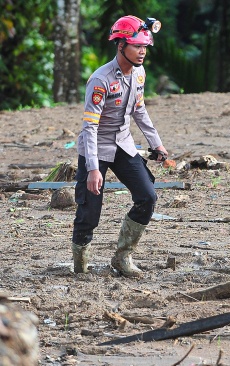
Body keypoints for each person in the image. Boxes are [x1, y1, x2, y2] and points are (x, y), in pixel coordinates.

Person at [71, 15, 168, 277]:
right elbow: (90, 127)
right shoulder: (99, 80)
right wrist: (93, 169)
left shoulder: (139, 74)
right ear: (120, 45)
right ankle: (80, 265)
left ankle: (122, 257)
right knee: (89, 211)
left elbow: (139, 110)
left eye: (145, 47)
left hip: (124, 145)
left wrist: (156, 144)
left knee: (147, 196)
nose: (142, 52)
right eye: (137, 46)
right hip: (96, 149)